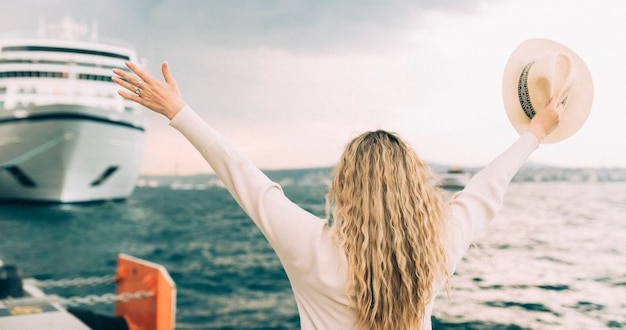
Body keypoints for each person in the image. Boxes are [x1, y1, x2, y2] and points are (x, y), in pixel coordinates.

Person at [112, 60, 562, 329]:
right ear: (414, 189)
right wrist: (535, 133)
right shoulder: (438, 246)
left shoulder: (310, 246)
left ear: (344, 188)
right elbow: (487, 187)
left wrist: (178, 111)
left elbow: (244, 177)